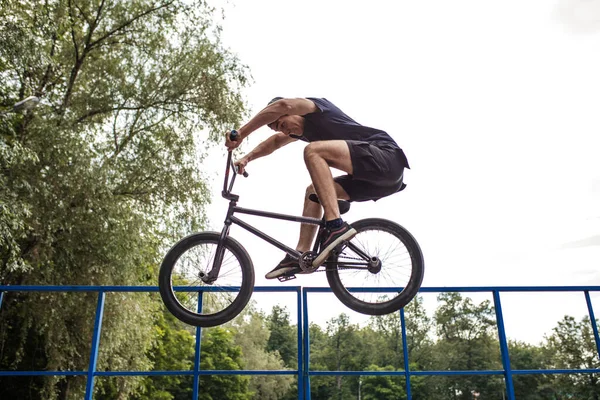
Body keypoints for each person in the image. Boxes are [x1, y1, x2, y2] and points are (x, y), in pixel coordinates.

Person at [225, 97, 410, 279]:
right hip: (375, 183)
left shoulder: (315, 108)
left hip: (386, 157)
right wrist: (246, 158)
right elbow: (274, 143)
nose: (287, 132)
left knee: (313, 151)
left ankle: (335, 225)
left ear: (292, 112)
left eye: (283, 125)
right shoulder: (300, 132)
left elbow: (283, 105)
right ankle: (300, 254)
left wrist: (241, 133)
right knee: (312, 192)